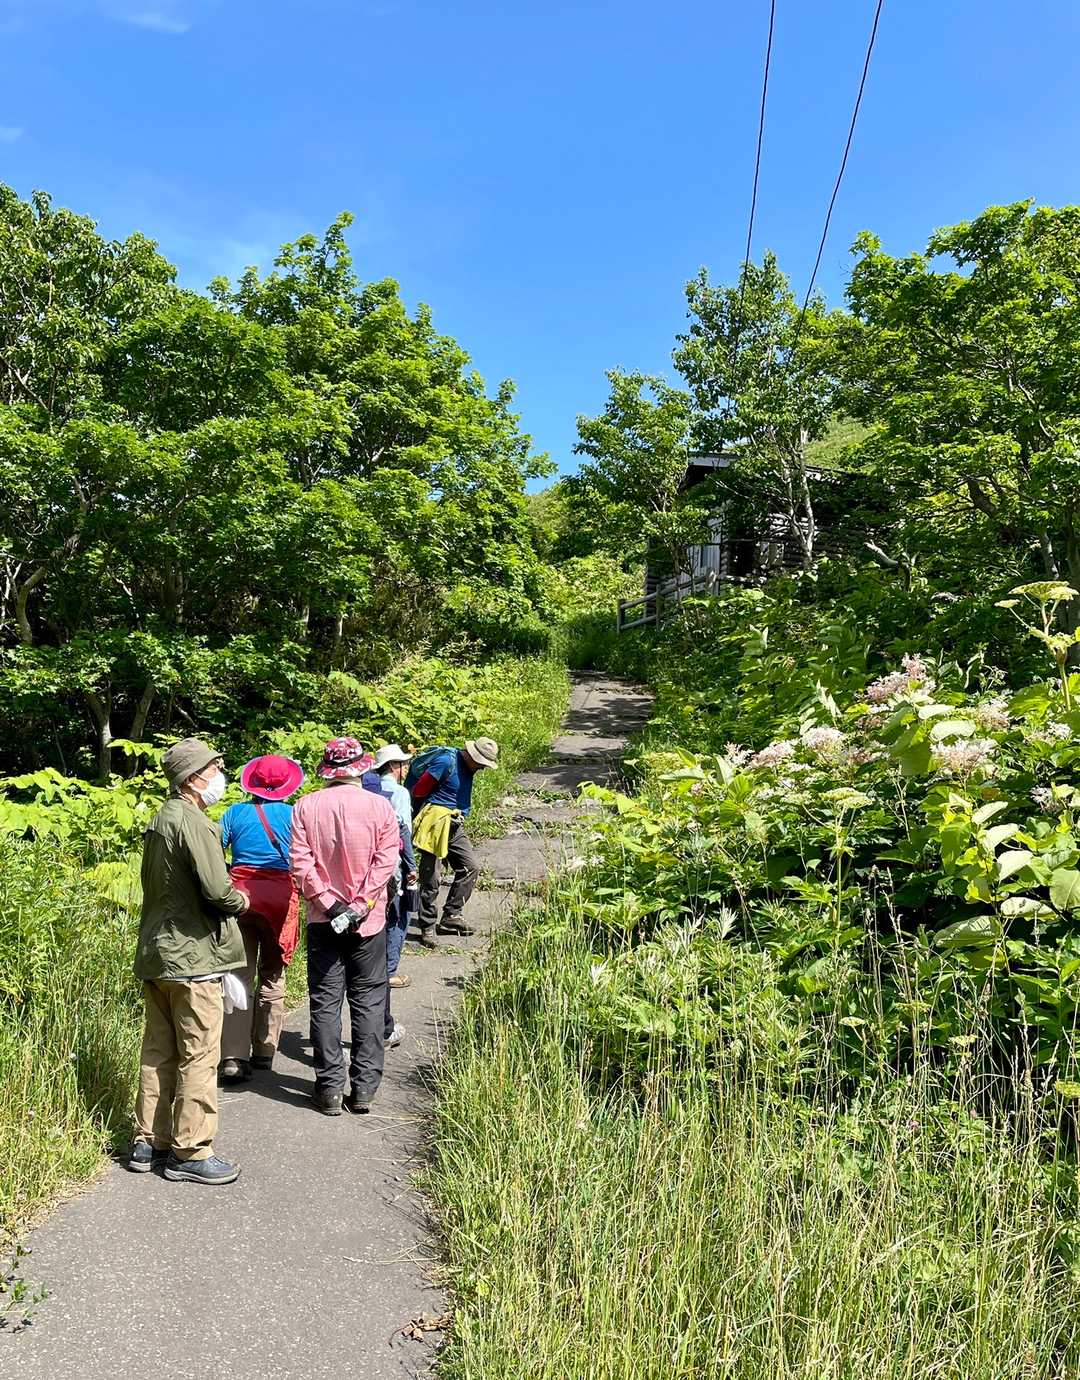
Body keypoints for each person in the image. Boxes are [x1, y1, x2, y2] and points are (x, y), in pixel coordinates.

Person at [128, 737, 250, 1185]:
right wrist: (241, 900)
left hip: (157, 953)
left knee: (158, 1051)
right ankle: (190, 1151)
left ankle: (148, 1142)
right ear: (194, 779)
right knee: (199, 1055)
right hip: (194, 957)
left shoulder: (161, 818)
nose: (221, 776)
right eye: (215, 769)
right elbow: (217, 890)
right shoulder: (195, 823)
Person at [289, 737, 399, 1116]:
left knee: (325, 1002)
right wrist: (359, 905)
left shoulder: (305, 807)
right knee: (369, 1002)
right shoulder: (380, 807)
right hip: (369, 922)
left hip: (324, 920)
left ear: (327, 770)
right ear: (361, 767)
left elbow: (300, 864)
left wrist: (329, 903)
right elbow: (385, 862)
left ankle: (330, 1088)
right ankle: (364, 1089)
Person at [217, 754, 305, 1082]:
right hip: (281, 899)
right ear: (287, 785)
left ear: (252, 783)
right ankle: (265, 1050)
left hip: (240, 897)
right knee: (273, 974)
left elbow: (214, 850)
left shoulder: (234, 813)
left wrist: (229, 873)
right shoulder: (295, 814)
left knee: (238, 976)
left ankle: (233, 1056)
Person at [405, 736, 499, 949]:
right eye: (481, 763)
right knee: (431, 877)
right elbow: (419, 790)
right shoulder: (446, 761)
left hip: (455, 825)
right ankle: (427, 926)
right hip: (435, 824)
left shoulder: (469, 768)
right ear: (472, 755)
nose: (482, 768)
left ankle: (451, 916)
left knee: (470, 867)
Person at [372, 744, 419, 1047]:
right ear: (394, 767)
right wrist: (412, 867)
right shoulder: (399, 793)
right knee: (398, 922)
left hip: (369, 872)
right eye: (402, 764)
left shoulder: (367, 790)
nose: (405, 768)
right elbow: (403, 833)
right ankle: (388, 973)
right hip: (393, 871)